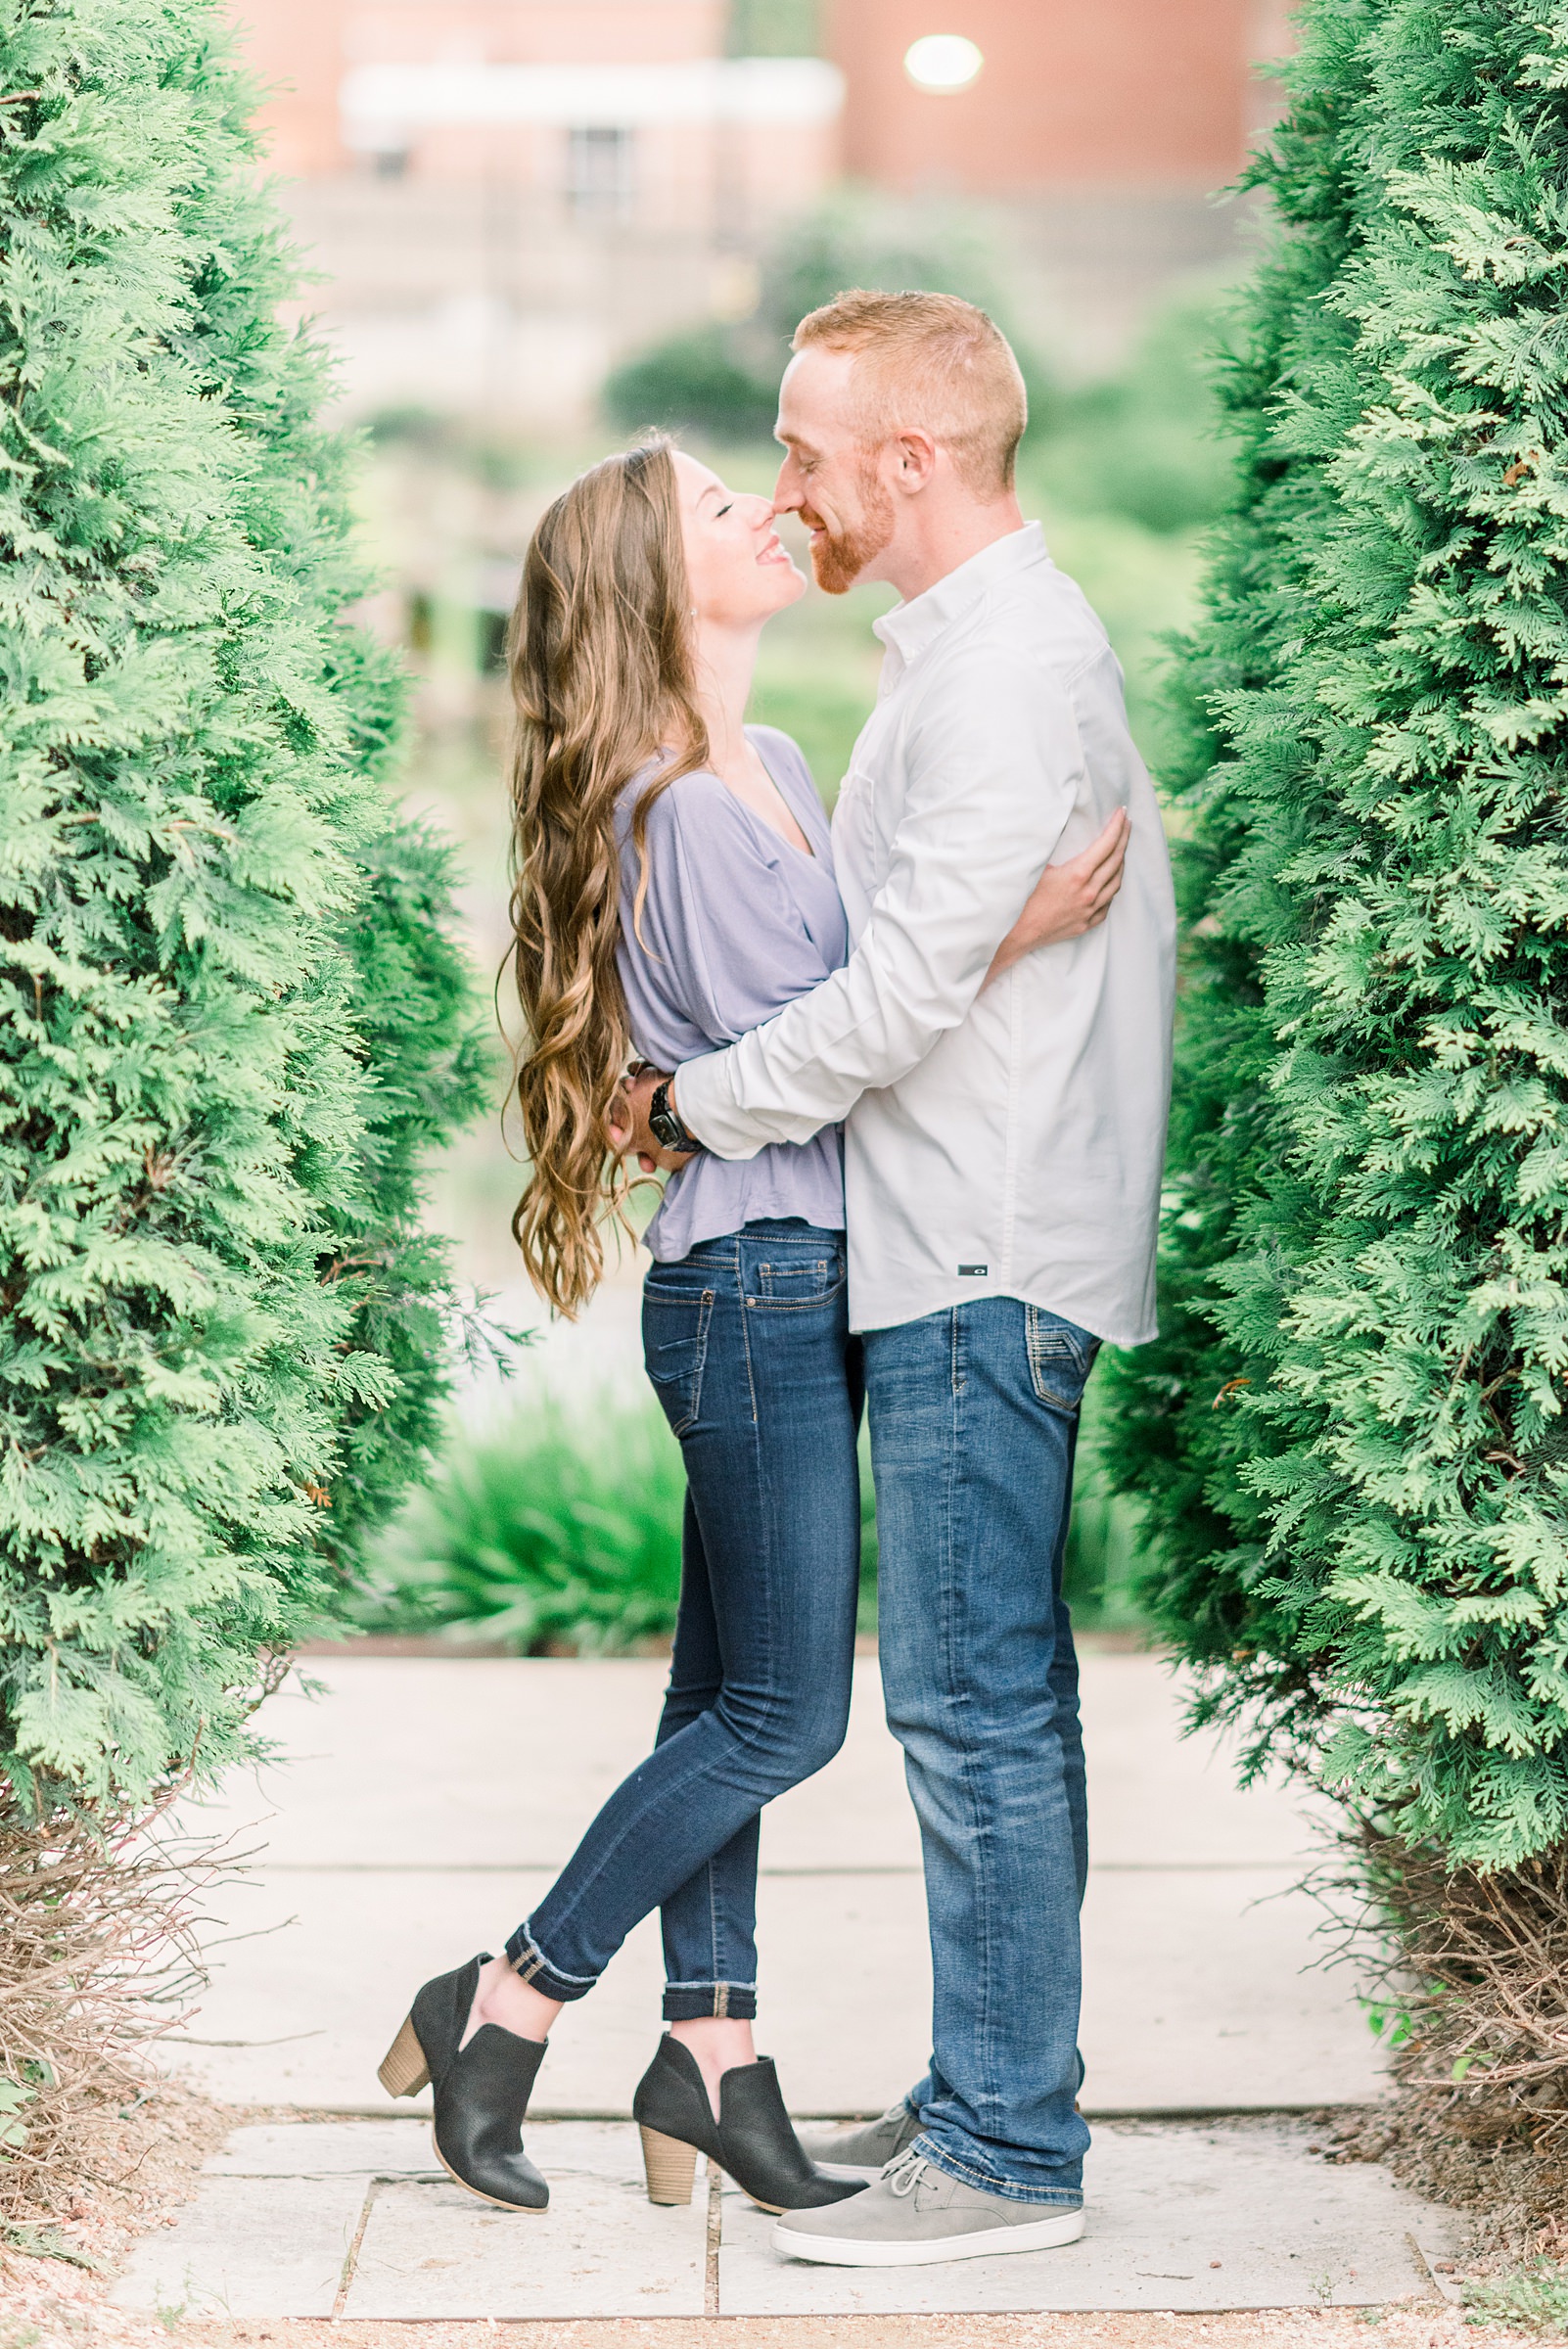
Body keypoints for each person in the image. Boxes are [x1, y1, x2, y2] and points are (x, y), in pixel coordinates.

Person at [375, 432, 1128, 2221]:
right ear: (655, 583)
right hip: (752, 1284)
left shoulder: (777, 761)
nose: (767, 510)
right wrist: (1007, 928)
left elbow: (811, 1022)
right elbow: (830, 1044)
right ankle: (505, 1998)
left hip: (806, 1274)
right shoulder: (674, 806)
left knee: (723, 1690)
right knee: (788, 1719)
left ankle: (711, 2050)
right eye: (722, 508)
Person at [617, 291, 1176, 2269]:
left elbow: (894, 998)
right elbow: (922, 951)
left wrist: (683, 1105)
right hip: (959, 1231)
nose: (789, 486)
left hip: (972, 1244)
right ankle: (983, 2091)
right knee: (982, 1696)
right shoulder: (968, 659)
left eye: (806, 449)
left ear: (910, 462)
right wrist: (992, 931)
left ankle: (1010, 2153)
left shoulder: (1006, 672)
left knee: (969, 1709)